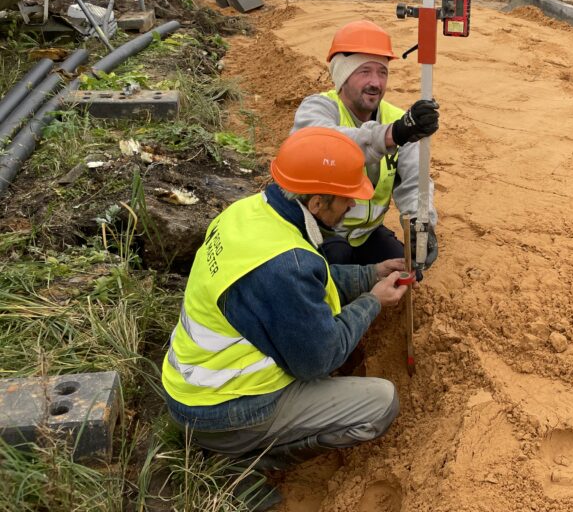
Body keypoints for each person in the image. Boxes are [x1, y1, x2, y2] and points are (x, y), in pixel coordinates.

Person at [160, 128, 411, 506]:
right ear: (315, 203)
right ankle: (244, 460)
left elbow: (311, 280)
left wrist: (369, 274)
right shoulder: (285, 266)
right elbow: (319, 359)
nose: (351, 208)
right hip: (224, 413)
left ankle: (236, 446)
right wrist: (372, 302)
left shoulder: (248, 214)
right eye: (345, 200)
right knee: (381, 402)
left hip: (192, 388)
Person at [292, 20, 440, 269]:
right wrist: (391, 135)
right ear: (342, 76)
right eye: (365, 72)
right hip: (320, 235)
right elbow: (327, 145)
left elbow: (415, 182)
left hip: (365, 235)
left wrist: (421, 223)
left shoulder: (398, 121)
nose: (376, 82)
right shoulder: (317, 109)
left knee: (407, 266)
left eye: (382, 72)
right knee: (331, 273)